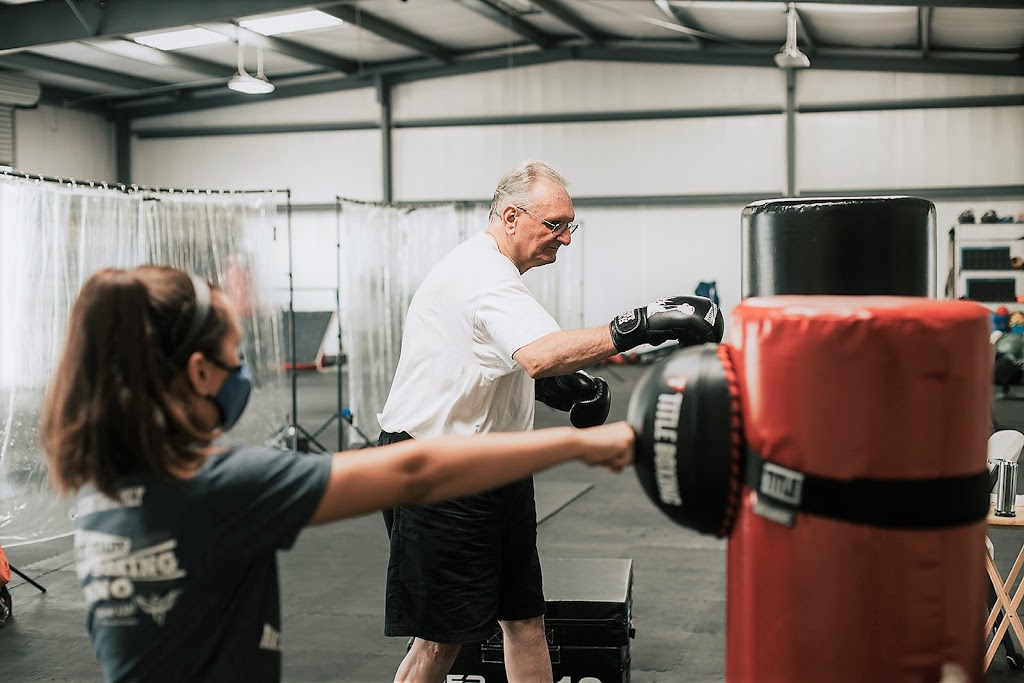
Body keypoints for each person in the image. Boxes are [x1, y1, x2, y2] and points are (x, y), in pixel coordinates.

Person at [38, 265, 635, 683]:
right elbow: (416, 471)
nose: (242, 370)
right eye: (236, 357)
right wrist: (576, 447)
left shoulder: (101, 485)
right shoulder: (222, 487)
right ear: (199, 374)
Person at [377, 160, 723, 682]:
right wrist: (642, 325)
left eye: (570, 226)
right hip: (440, 474)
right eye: (555, 225)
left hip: (496, 468)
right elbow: (539, 354)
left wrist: (561, 385)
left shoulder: (493, 270)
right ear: (511, 216)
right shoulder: (484, 279)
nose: (565, 239)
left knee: (525, 620)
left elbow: (498, 359)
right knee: (440, 639)